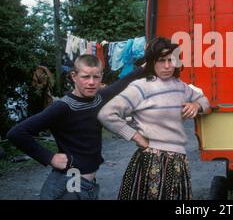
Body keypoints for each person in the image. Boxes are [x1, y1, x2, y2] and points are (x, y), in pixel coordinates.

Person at [7, 54, 146, 200]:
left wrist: (146, 66)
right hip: (70, 184)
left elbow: (122, 83)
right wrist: (49, 157)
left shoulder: (99, 98)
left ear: (101, 76)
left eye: (96, 77)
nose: (91, 82)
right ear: (74, 76)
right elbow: (16, 133)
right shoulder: (62, 107)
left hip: (88, 184)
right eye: (85, 77)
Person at [98, 37, 210, 200]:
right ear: (152, 62)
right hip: (152, 161)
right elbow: (106, 114)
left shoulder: (180, 87)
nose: (167, 66)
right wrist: (135, 136)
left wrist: (196, 105)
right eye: (161, 60)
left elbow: (204, 101)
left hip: (178, 160)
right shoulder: (140, 87)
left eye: (171, 60)